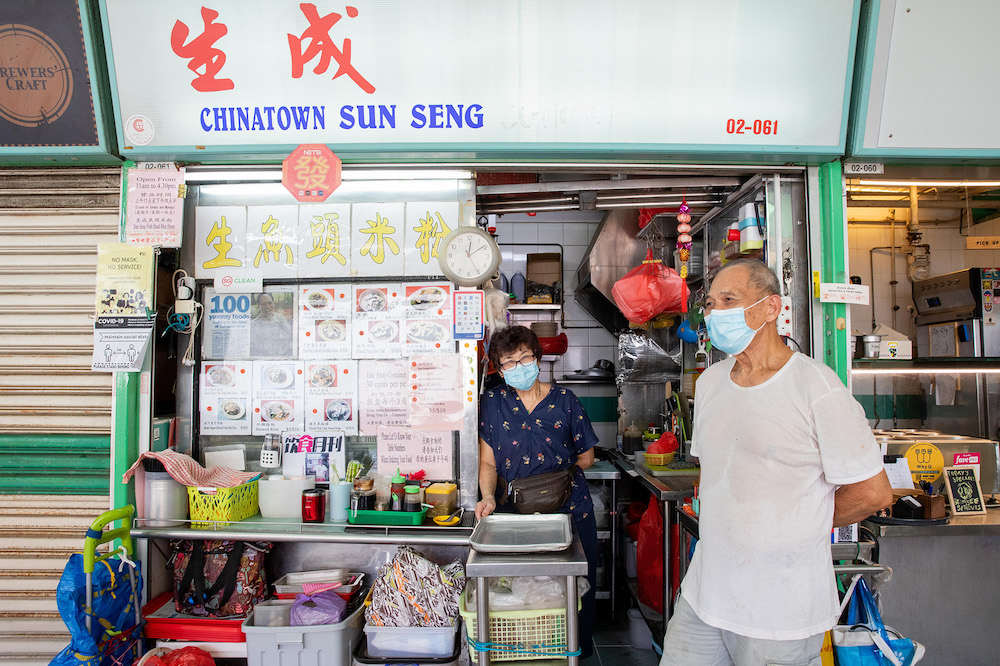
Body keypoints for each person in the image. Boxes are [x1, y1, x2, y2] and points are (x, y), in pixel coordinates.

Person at [660, 259, 892, 666]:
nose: (715, 313)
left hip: (780, 609)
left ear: (771, 308)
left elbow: (873, 492)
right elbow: (718, 473)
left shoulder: (815, 387)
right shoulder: (711, 382)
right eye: (711, 304)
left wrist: (801, 521)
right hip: (706, 594)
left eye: (729, 300)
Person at [476, 325, 599, 659]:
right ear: (499, 370)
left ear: (538, 358)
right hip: (511, 514)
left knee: (573, 587)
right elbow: (487, 462)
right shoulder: (492, 403)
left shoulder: (565, 401)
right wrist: (487, 496)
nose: (520, 367)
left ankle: (570, 652)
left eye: (526, 358)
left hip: (569, 512)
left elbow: (588, 456)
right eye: (509, 363)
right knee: (514, 589)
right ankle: (520, 650)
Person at [250, 292, 293, 357]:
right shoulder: (254, 324)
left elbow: (290, 333)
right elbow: (254, 346)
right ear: (259, 306)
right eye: (264, 304)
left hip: (281, 354)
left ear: (273, 304)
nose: (268, 307)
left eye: (270, 303)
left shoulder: (279, 317)